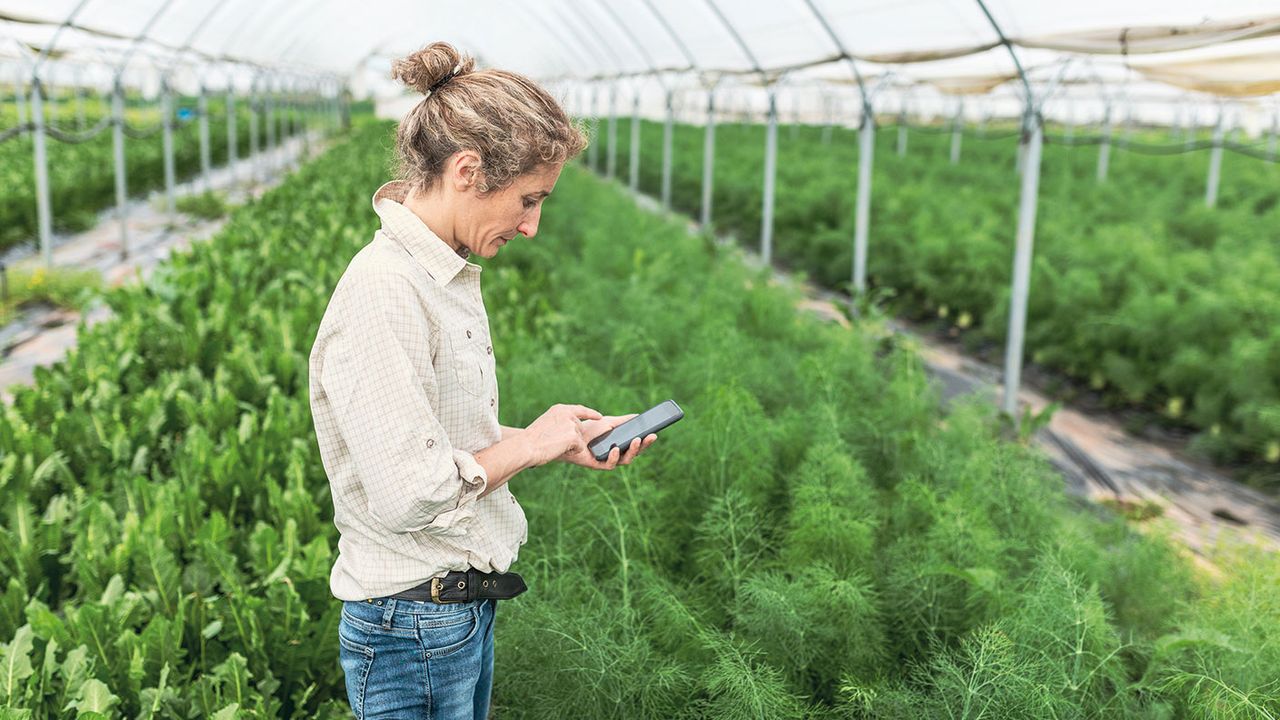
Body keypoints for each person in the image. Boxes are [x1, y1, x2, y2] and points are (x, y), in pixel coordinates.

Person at [307, 41, 658, 720]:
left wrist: (552, 438)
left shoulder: (442, 272)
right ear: (469, 170)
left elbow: (436, 435)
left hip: (449, 617)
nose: (531, 226)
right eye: (529, 200)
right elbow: (411, 492)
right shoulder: (386, 291)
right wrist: (528, 447)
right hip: (410, 629)